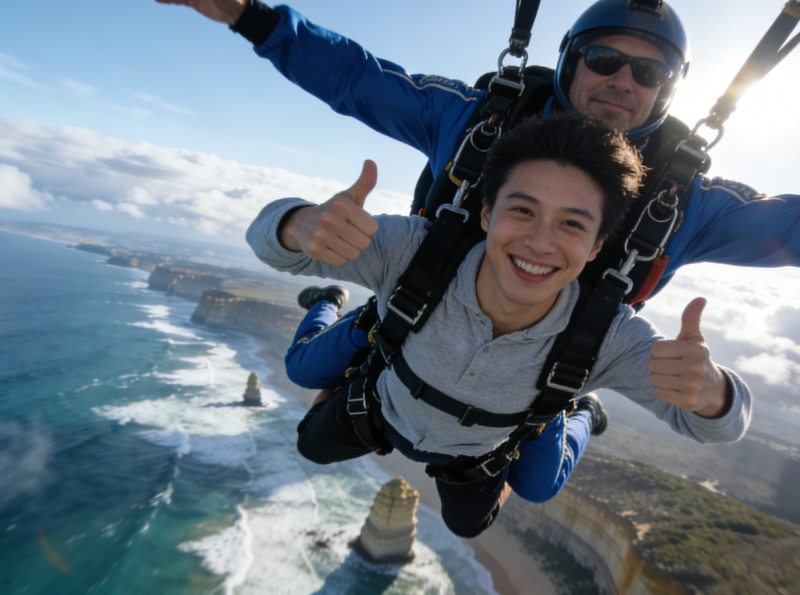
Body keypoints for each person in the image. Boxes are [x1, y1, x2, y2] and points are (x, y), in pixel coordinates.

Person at [154, 0, 799, 502]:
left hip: (553, 369)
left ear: (667, 88)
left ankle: (580, 409)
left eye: (648, 71)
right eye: (604, 59)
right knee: (301, 373)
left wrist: (710, 392)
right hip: (413, 311)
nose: (622, 80)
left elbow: (787, 231)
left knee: (538, 484)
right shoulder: (477, 123)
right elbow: (359, 80)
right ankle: (331, 305)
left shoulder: (686, 203)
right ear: (573, 60)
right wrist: (250, 16)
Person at [245, 114, 752, 538]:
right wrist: (298, 224)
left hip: (478, 451)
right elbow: (270, 242)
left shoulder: (606, 338)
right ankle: (341, 313)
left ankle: (579, 411)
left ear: (598, 247)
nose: (539, 242)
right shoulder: (414, 253)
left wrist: (714, 394)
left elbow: (710, 425)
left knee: (479, 519)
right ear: (486, 213)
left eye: (572, 224)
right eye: (522, 210)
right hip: (384, 407)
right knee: (309, 441)